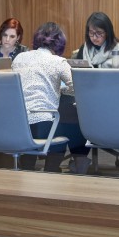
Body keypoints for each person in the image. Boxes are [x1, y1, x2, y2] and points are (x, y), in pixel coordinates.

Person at [10, 22, 89, 173]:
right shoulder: (58, 62)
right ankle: (53, 171)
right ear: (59, 43)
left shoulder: (19, 58)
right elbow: (78, 87)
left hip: (19, 124)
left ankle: (27, 170)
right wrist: (59, 88)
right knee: (72, 125)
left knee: (31, 140)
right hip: (44, 125)